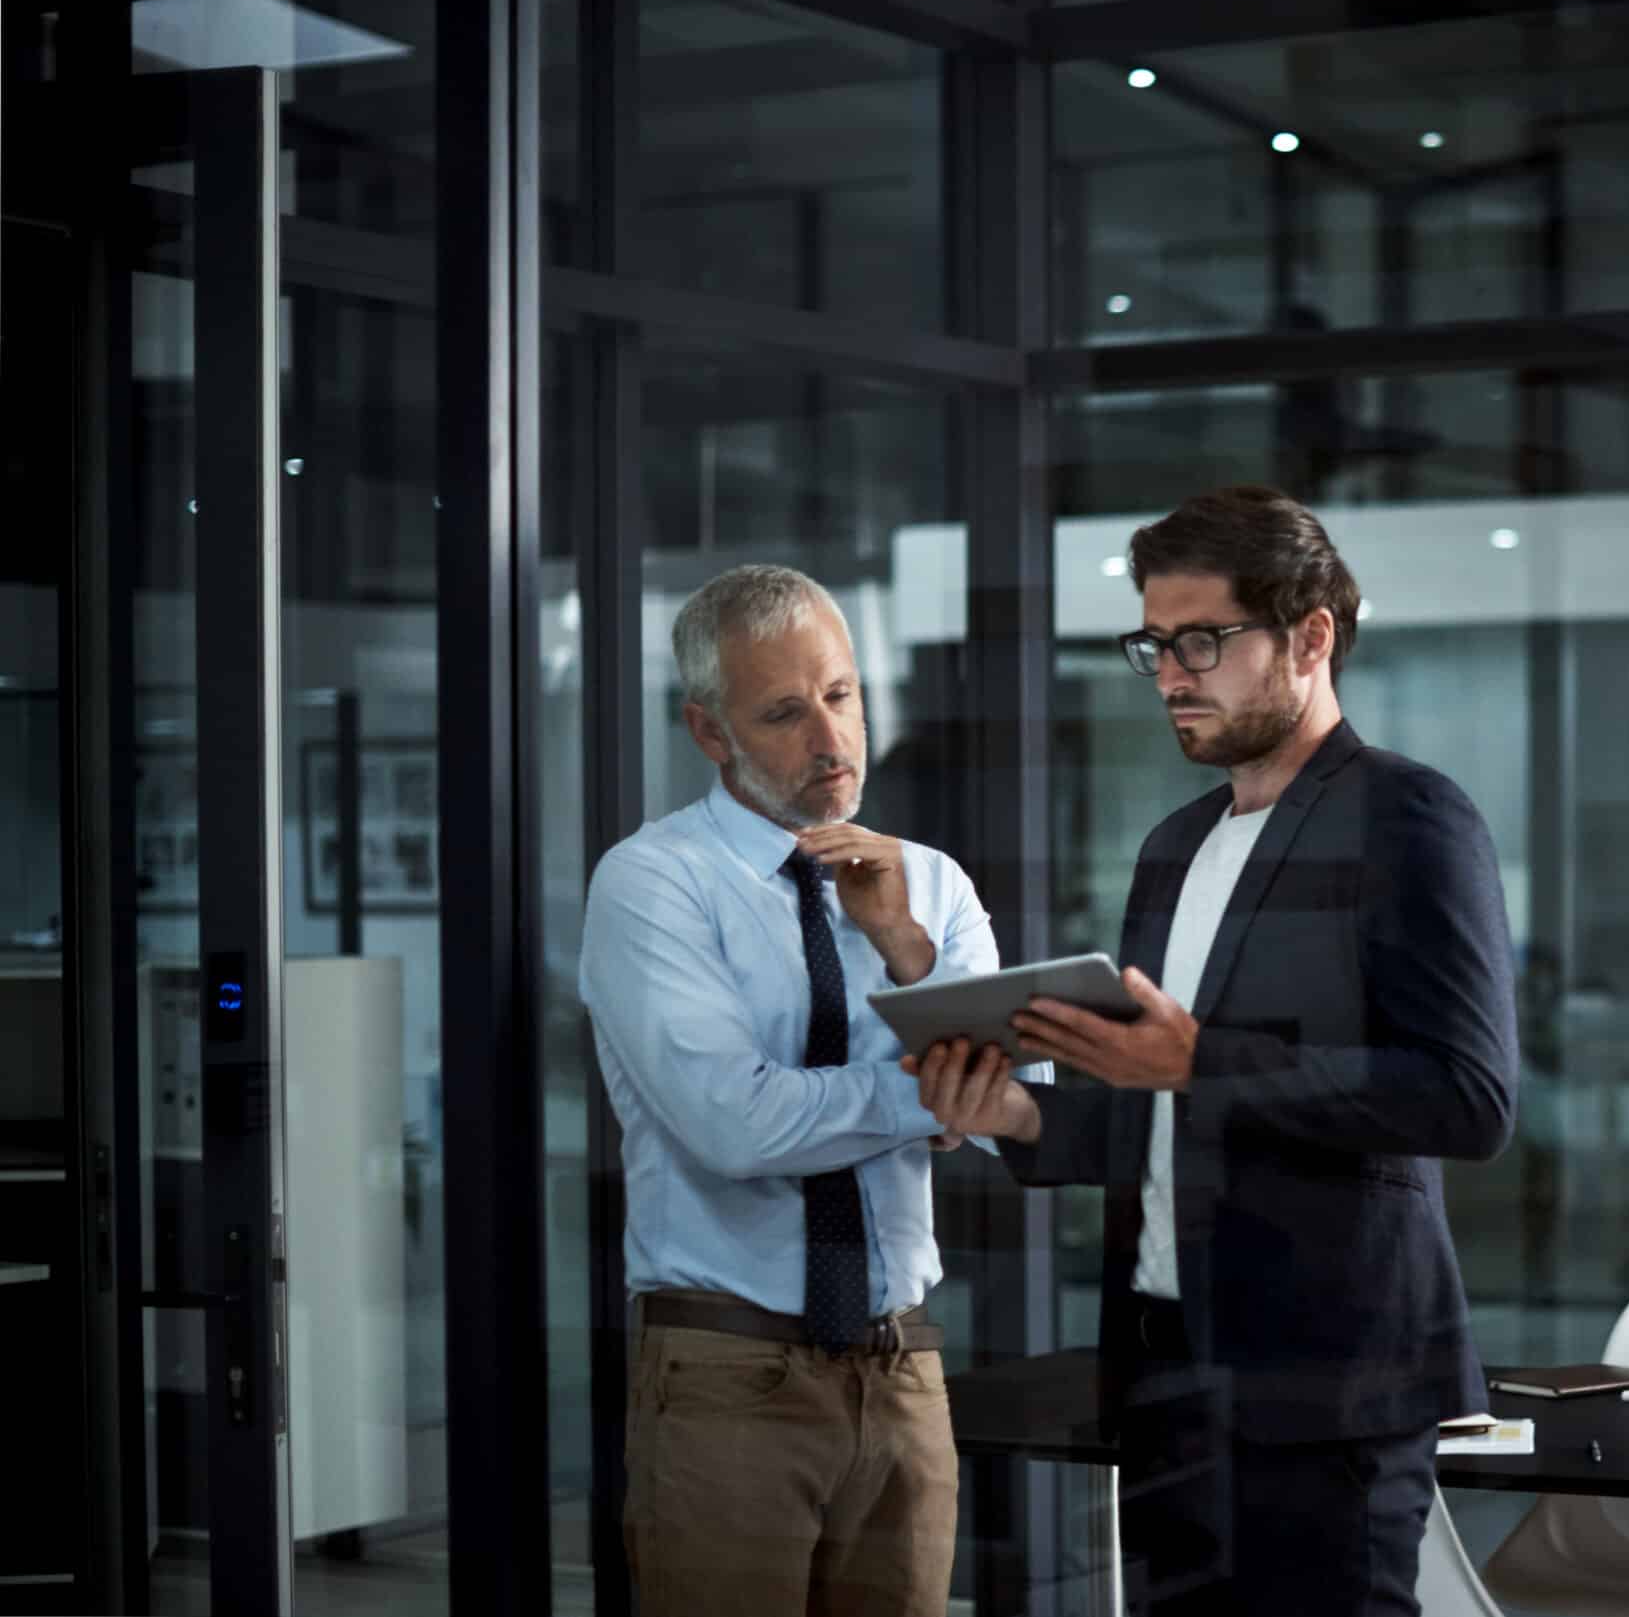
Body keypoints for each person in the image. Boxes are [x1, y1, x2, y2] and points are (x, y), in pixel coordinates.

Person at [908, 486, 1518, 1617]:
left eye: (1203, 641)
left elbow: (1468, 1099)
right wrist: (1018, 1116)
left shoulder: (1409, 817)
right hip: (1165, 1373)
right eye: (1154, 644)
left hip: (1327, 1385)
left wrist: (1203, 1063)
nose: (1172, 674)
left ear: (1310, 635)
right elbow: (1157, 1108)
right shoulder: (1173, 847)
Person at [579, 564, 1038, 1616]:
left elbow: (1021, 1104)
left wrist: (904, 947)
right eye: (784, 713)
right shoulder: (653, 883)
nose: (830, 740)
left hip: (905, 1364)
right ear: (709, 731)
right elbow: (736, 1124)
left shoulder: (933, 882)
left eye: (841, 695)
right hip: (730, 1370)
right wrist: (934, 1092)